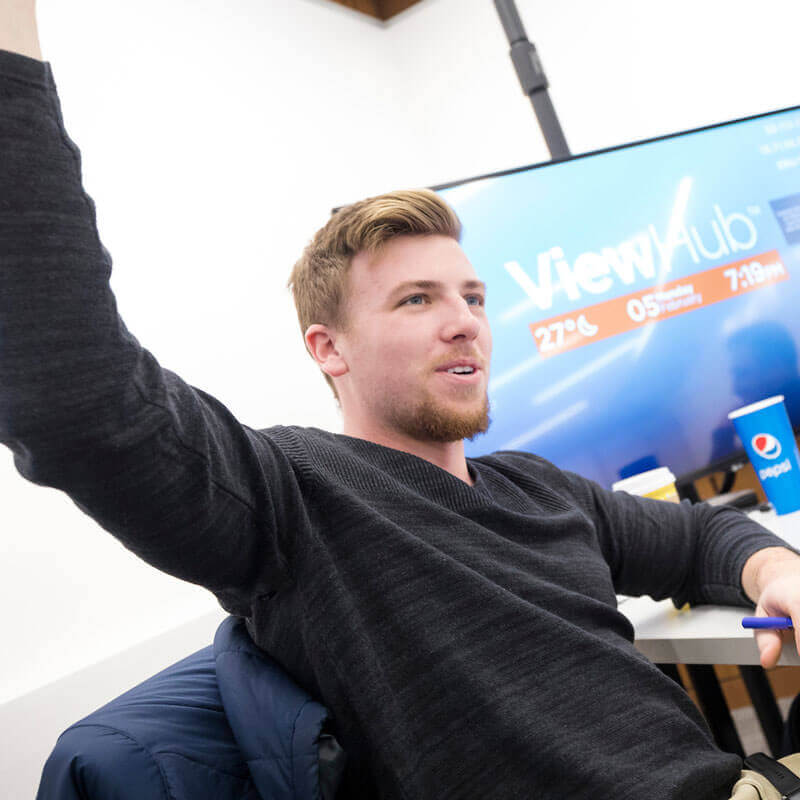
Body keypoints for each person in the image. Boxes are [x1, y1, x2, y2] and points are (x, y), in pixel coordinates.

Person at [3, 5, 800, 799]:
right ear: (328, 347)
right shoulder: (293, 498)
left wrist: (773, 566)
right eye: (416, 301)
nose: (465, 324)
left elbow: (701, 535)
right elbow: (77, 403)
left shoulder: (536, 485)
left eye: (474, 296)